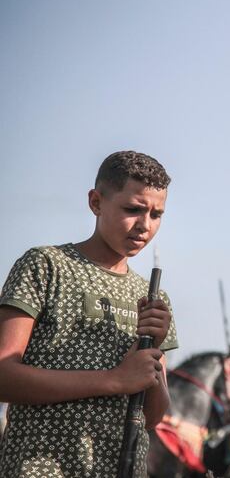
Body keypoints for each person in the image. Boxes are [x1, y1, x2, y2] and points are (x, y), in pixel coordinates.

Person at [0, 150, 178, 477]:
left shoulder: (154, 297)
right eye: (133, 209)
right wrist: (113, 380)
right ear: (96, 202)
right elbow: (3, 376)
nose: (145, 225)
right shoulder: (45, 266)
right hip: (39, 468)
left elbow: (152, 417)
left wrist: (151, 345)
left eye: (157, 215)